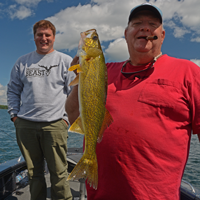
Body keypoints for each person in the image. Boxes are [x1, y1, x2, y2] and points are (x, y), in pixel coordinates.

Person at [65, 2, 200, 200]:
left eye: (153, 24)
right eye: (137, 23)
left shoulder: (188, 72)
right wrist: (81, 80)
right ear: (126, 33)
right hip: (99, 194)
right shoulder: (105, 69)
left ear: (162, 35)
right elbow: (73, 114)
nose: (145, 27)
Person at [7, 20, 75, 200]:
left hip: (55, 125)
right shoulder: (22, 62)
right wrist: (15, 116)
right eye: (39, 35)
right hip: (26, 126)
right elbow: (13, 89)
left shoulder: (65, 61)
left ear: (53, 37)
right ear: (34, 36)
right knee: (33, 174)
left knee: (59, 173)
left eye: (47, 35)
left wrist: (66, 118)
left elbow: (74, 93)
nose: (43, 38)